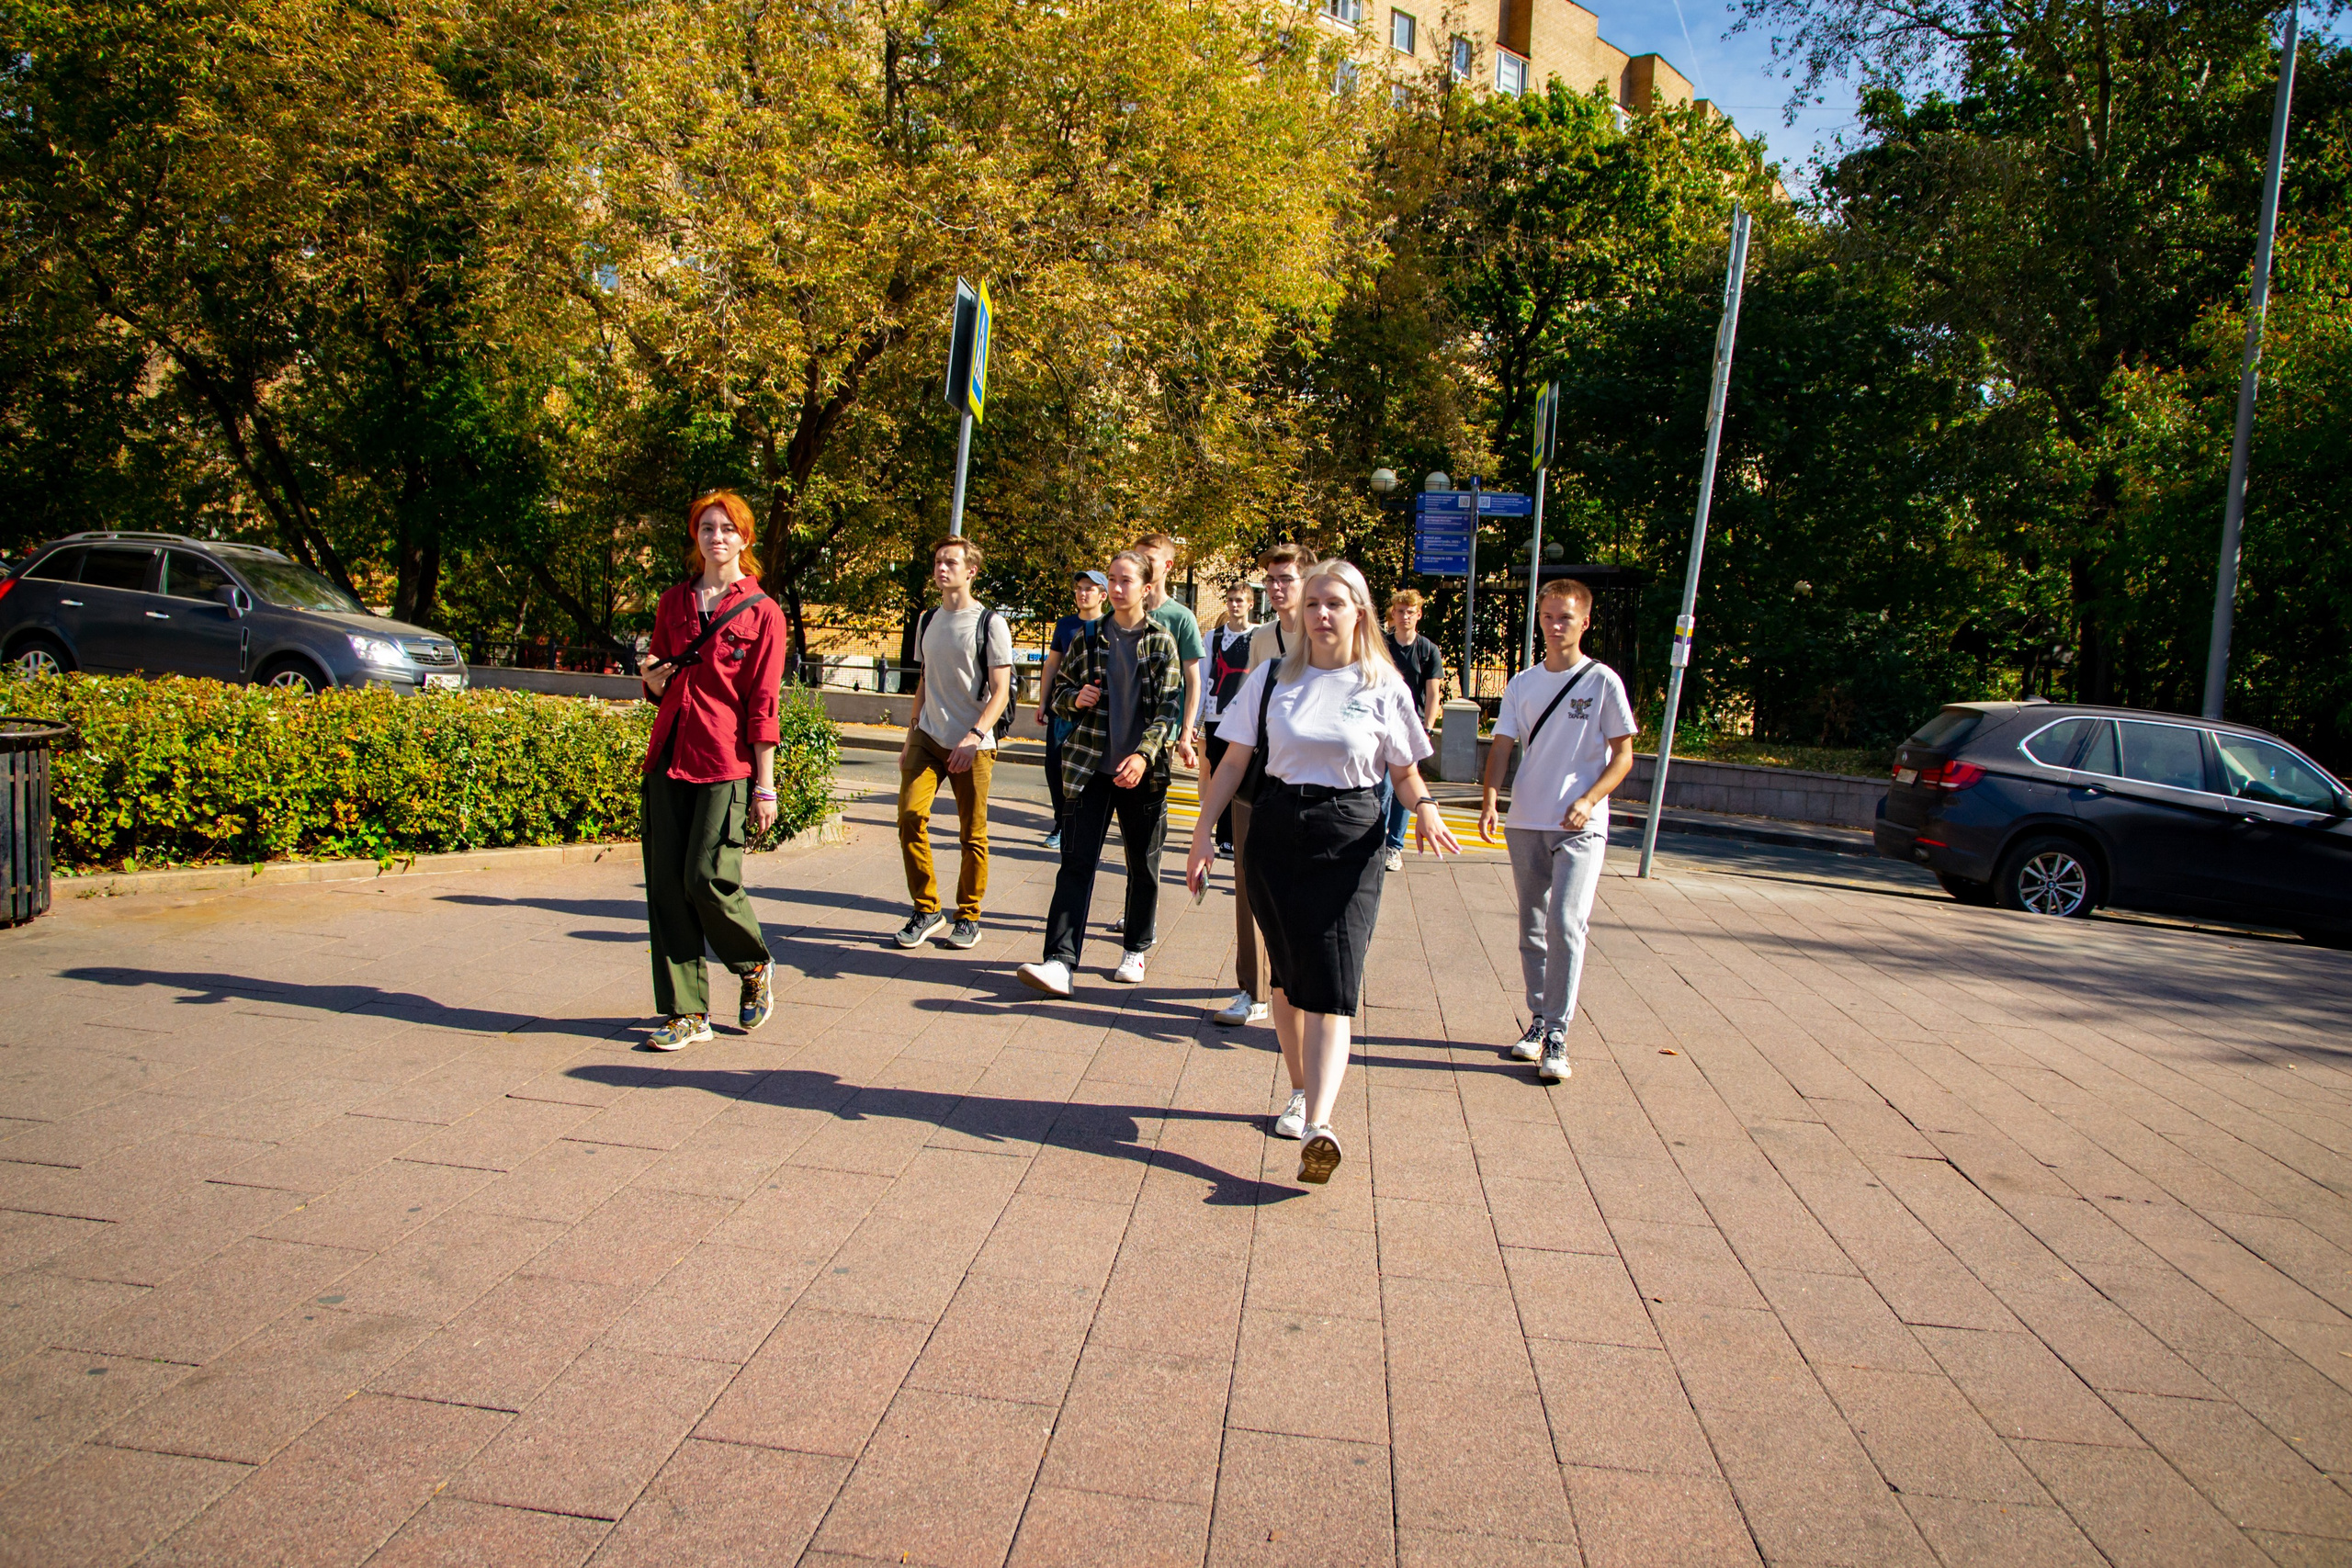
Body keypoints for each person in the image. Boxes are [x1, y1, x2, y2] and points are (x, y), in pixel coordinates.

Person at [1187, 558, 1460, 1184]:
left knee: (1334, 982)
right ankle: (1301, 1089)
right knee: (1286, 981)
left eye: (1335, 603)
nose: (1321, 614)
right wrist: (1203, 833)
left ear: (1359, 611)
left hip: (1351, 835)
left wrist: (1424, 809)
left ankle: (1320, 1124)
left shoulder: (1382, 683)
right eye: (1313, 604)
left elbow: (1405, 771)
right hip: (1277, 830)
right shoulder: (1271, 678)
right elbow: (1231, 765)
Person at [635, 491, 788, 1052]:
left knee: (707, 878)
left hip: (724, 761)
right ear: (694, 537)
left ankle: (752, 964)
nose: (716, 537)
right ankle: (686, 1012)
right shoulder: (673, 602)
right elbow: (656, 676)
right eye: (706, 527)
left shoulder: (764, 611)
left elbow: (763, 703)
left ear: (745, 540)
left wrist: (764, 785)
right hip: (668, 754)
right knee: (667, 889)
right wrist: (649, 679)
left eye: (727, 528)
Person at [1477, 578, 1637, 1084]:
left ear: (1584, 622)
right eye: (1547, 616)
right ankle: (1538, 1020)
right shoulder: (1522, 683)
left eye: (1565, 617)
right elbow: (1501, 746)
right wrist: (1489, 800)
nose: (1554, 625)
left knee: (1565, 924)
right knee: (1531, 925)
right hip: (1526, 819)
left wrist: (1589, 800)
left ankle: (1558, 1033)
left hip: (1580, 825)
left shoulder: (1602, 682)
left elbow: (1624, 755)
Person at [1017, 550, 1186, 997]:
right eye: (1111, 579)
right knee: (1075, 863)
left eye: (1125, 580)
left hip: (1141, 773)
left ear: (1146, 589)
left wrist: (1144, 755)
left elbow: (1169, 710)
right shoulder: (1088, 637)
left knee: (1143, 865)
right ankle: (1058, 961)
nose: (1115, 588)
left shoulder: (1161, 642)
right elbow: (1058, 696)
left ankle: (1135, 947)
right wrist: (1076, 698)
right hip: (1089, 768)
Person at [1209, 542, 1315, 1030]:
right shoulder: (1262, 638)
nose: (1275, 588)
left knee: (1298, 889)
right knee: (1248, 881)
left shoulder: (1327, 634)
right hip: (1259, 773)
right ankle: (1250, 989)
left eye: (1285, 579)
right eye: (1270, 580)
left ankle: (1296, 984)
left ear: (1306, 579)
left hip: (1312, 780)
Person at [895, 536, 1014, 951]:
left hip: (973, 744)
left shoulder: (990, 623)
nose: (942, 568)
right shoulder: (928, 619)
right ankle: (927, 909)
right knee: (910, 816)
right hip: (928, 737)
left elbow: (1000, 690)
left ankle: (969, 915)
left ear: (971, 571)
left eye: (951, 562)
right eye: (938, 561)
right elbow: (925, 680)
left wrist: (975, 736)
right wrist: (911, 736)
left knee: (972, 834)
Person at [1375, 590, 1447, 873]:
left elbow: (1433, 693)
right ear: (1392, 613)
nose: (1404, 616)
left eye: (1410, 612)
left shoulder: (1428, 650)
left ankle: (1394, 845)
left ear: (1418, 615)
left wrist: (1427, 728)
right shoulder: (1381, 644)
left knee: (1404, 783)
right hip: (1381, 722)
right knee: (1381, 786)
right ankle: (1376, 841)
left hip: (1410, 724)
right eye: (1399, 611)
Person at [1037, 570, 1107, 851]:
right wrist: (1043, 701)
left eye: (1089, 589)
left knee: (1091, 771)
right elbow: (1051, 665)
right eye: (1079, 588)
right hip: (1064, 707)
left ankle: (1083, 824)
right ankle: (1061, 824)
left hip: (1096, 711)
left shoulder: (1110, 626)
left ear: (1103, 595)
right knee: (1055, 767)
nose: (1082, 593)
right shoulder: (1065, 625)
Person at [1200, 580, 1259, 858]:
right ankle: (1225, 837)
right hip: (1216, 716)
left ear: (1250, 604)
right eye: (1231, 599)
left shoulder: (1260, 636)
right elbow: (1202, 679)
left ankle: (1242, 833)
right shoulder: (1212, 637)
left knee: (1246, 776)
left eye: (1240, 600)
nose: (1235, 605)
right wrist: (1195, 725)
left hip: (1247, 717)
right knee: (1219, 773)